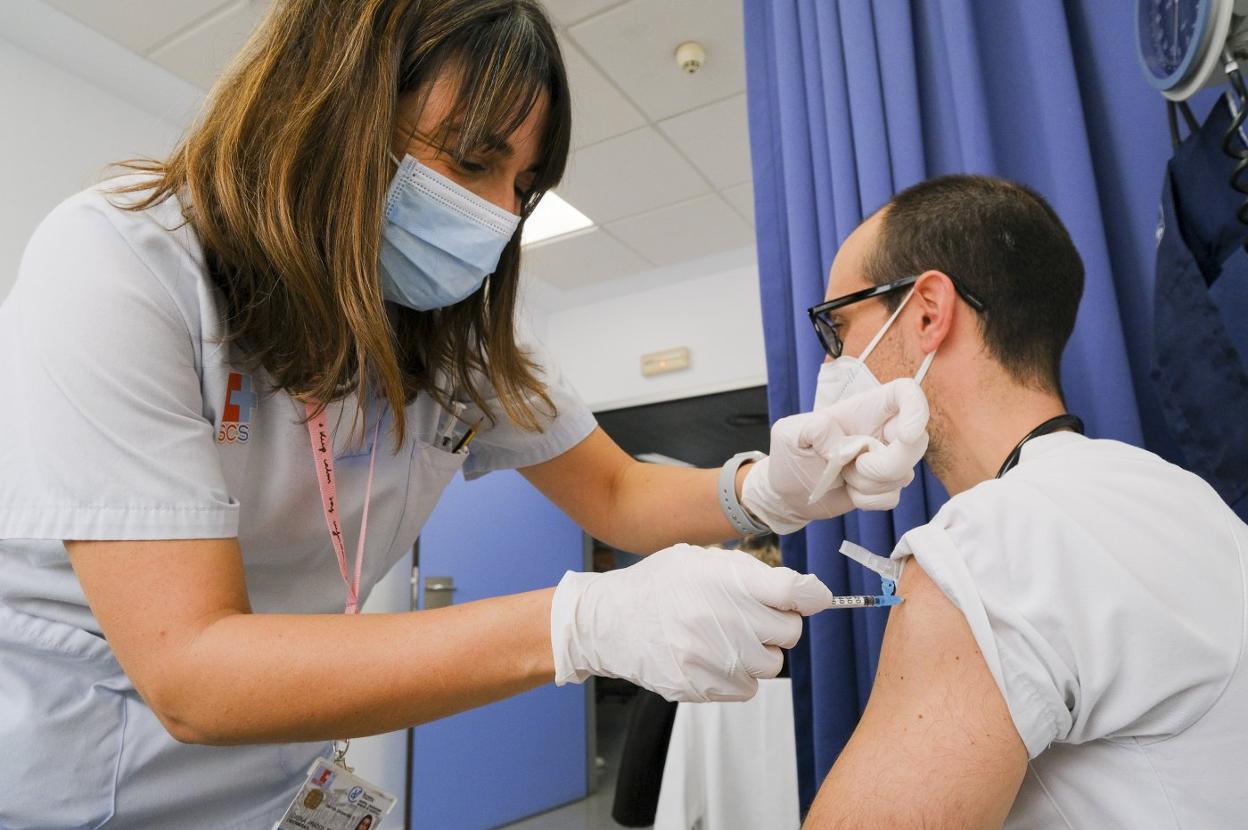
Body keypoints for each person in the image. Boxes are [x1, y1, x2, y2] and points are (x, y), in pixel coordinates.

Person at [0, 2, 931, 828]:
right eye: (476, 160)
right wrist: (580, 625)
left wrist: (768, 490)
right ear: (331, 107)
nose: (497, 215)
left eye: (521, 189)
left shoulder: (456, 346)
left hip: (280, 787)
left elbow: (614, 488)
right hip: (86, 788)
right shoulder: (125, 266)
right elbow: (193, 673)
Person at [795, 175, 1248, 827]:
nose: (832, 363)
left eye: (837, 329)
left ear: (926, 313)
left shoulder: (993, 543)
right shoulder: (1180, 497)